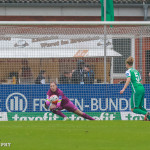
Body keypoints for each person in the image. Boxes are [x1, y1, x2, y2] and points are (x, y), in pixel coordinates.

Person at [120, 56, 150, 121]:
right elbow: (140, 81)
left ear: (127, 64)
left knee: (133, 109)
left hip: (136, 89)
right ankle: (149, 117)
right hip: (142, 88)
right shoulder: (136, 71)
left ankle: (146, 113)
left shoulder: (128, 71)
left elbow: (128, 80)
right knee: (140, 107)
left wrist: (123, 89)